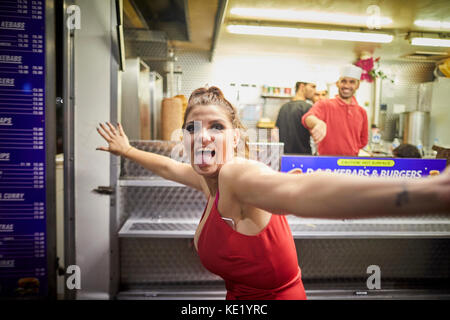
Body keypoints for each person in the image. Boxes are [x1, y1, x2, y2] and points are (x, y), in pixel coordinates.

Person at [96, 86, 450, 300]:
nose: (203, 136)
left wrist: (432, 192)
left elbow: (300, 191)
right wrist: (127, 151)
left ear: (234, 138)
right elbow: (170, 168)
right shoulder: (210, 179)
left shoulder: (235, 175)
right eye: (193, 128)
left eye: (216, 127)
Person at [302, 65, 368, 156]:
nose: (347, 86)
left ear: (357, 85)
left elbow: (363, 141)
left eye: (352, 82)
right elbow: (307, 118)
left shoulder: (362, 112)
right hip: (326, 163)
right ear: (337, 83)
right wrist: (318, 123)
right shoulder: (324, 105)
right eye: (343, 81)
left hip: (351, 163)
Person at [275, 80, 316, 154]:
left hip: (285, 157)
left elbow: (275, 133)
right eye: (312, 86)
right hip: (303, 158)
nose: (314, 90)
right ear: (302, 86)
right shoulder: (308, 108)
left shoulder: (283, 107)